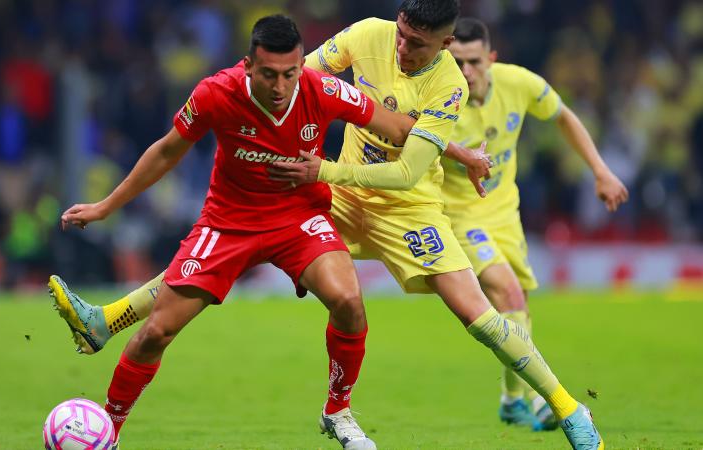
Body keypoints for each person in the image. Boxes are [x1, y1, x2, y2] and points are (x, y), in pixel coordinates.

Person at [51, 2, 603, 448]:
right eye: (401, 34)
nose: (402, 47)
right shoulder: (367, 35)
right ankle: (106, 320)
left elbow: (409, 168)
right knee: (206, 269)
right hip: (327, 195)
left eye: (416, 43)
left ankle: (566, 407)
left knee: (477, 315)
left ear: (444, 43)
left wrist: (331, 166)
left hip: (400, 204)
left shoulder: (450, 86)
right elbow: (306, 74)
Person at [55, 14, 418, 449]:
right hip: (229, 222)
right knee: (156, 332)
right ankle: (108, 432)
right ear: (248, 66)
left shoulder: (322, 89)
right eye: (269, 74)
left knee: (349, 302)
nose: (281, 86)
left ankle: (337, 411)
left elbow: (401, 129)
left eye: (290, 74)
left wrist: (457, 151)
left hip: (298, 218)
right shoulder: (216, 92)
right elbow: (167, 150)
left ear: (302, 65)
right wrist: (105, 206)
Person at [438, 17, 629, 431]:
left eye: (473, 62)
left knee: (517, 303)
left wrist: (600, 170)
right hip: (457, 214)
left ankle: (512, 399)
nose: (465, 72)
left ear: (491, 58)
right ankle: (531, 399)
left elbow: (563, 116)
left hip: (505, 211)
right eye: (456, 63)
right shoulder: (438, 96)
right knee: (508, 291)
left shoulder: (519, 83)